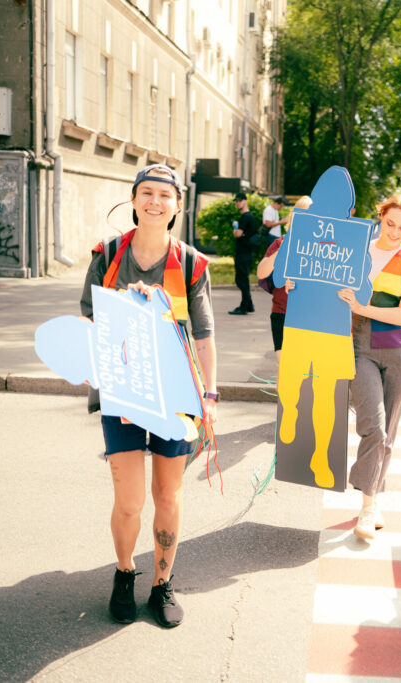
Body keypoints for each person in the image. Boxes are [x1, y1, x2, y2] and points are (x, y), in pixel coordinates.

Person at [80, 164, 218, 628]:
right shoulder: (108, 254)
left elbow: (203, 335)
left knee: (168, 496)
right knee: (130, 503)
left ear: (177, 205)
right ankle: (124, 574)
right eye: (147, 193)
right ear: (134, 200)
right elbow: (88, 318)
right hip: (122, 393)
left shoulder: (193, 263)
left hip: (175, 396)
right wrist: (87, 358)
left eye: (165, 195)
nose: (155, 202)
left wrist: (211, 395)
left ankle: (162, 583)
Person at [336, 193, 401, 541]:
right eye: (390, 223)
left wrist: (360, 307)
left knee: (388, 433)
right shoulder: (356, 251)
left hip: (398, 350)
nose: (395, 232)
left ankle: (372, 501)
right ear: (380, 217)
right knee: (374, 428)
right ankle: (367, 506)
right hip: (359, 346)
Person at [256, 196, 312, 362]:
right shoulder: (280, 244)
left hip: (309, 318)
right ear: (293, 218)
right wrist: (284, 247)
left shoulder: (321, 249)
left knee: (305, 370)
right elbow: (261, 273)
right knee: (286, 368)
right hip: (282, 313)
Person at [229, 191, 258, 315]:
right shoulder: (249, 216)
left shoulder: (245, 217)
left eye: (240, 201)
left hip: (243, 254)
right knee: (243, 279)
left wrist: (235, 227)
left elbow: (238, 234)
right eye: (236, 201)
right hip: (246, 253)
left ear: (245, 201)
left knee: (241, 280)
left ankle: (244, 307)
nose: (237, 203)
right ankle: (249, 305)